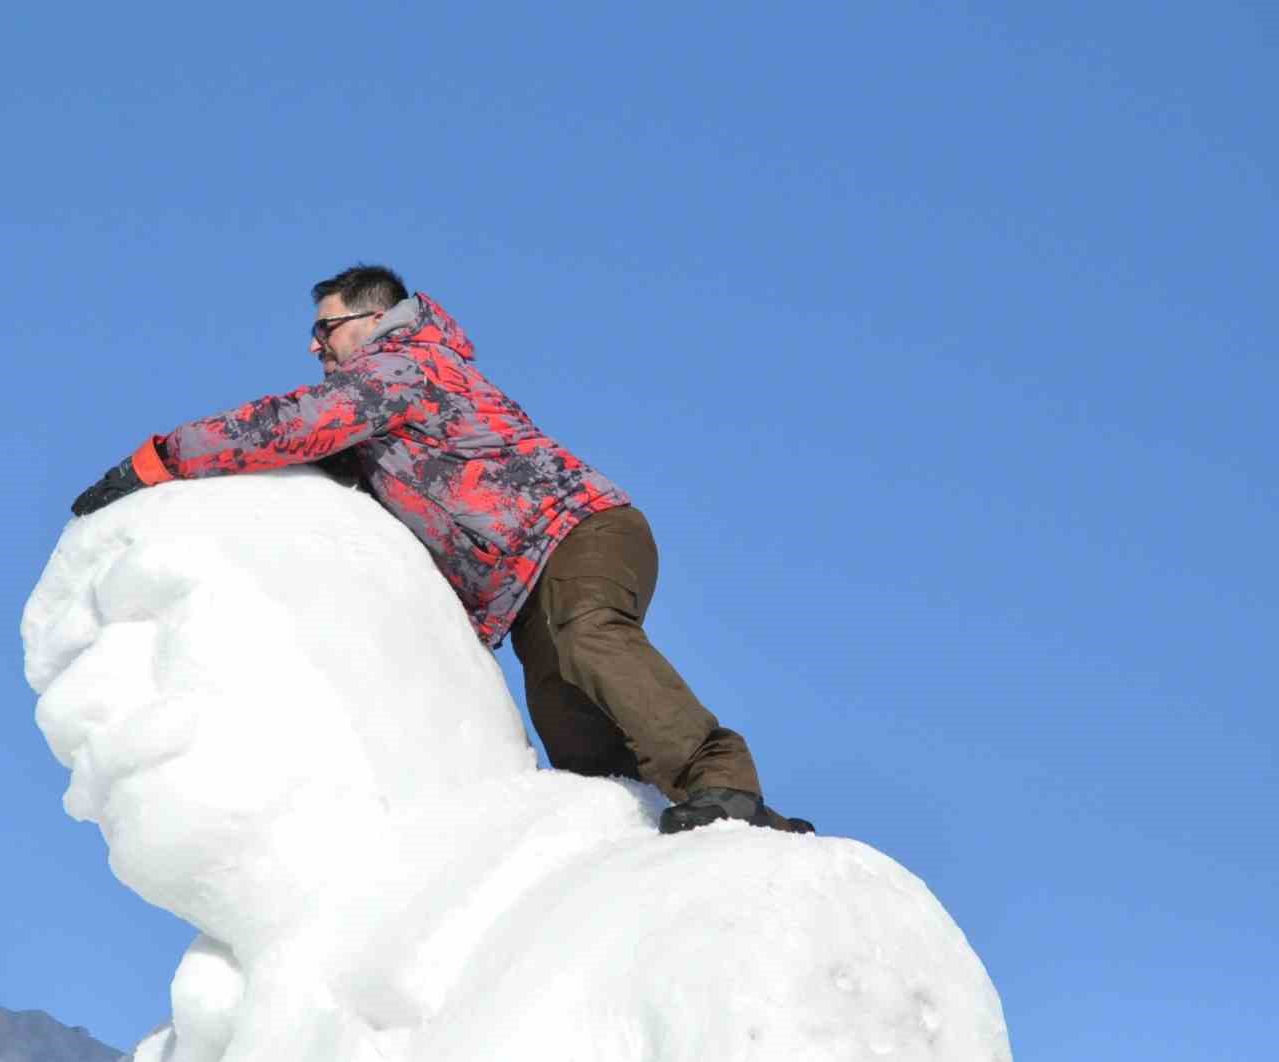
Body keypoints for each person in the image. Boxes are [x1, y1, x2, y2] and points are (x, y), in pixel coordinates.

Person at [71, 265, 812, 835]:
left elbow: (289, 423)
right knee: (573, 731)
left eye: (324, 329)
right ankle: (650, 846)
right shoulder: (386, 401)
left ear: (375, 319)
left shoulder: (404, 365)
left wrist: (155, 463)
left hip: (578, 531)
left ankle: (724, 786)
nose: (313, 345)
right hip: (522, 585)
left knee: (591, 638)